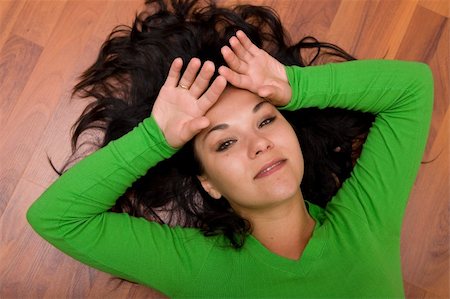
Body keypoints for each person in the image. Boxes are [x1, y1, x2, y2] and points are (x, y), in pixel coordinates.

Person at [27, 0, 433, 297]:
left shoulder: (363, 223)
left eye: (267, 119)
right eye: (225, 142)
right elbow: (57, 219)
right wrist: (158, 135)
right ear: (209, 183)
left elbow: (413, 87)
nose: (259, 144)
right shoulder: (197, 267)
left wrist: (294, 86)